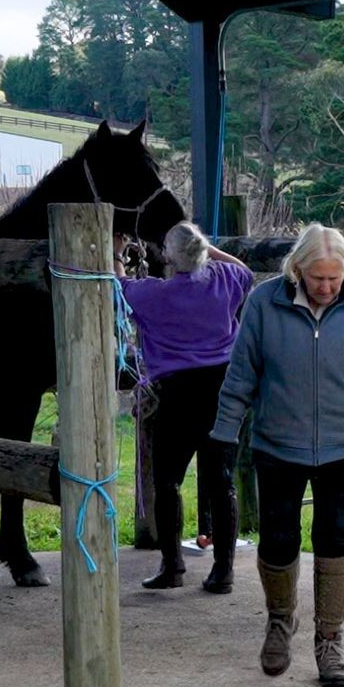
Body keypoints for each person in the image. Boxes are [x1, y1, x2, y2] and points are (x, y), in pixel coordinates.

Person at [210, 224, 344, 687]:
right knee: (278, 539)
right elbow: (241, 376)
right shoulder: (264, 304)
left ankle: (330, 640)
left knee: (333, 538)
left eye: (335, 278)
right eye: (318, 278)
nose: (326, 287)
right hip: (278, 444)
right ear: (297, 270)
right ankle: (280, 619)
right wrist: (223, 437)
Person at [120, 223, 252, 593]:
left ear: (167, 256)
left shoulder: (155, 294)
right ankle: (223, 570)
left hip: (178, 392)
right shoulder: (225, 279)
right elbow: (244, 268)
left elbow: (117, 285)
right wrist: (209, 249)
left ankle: (172, 565)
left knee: (167, 479)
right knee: (221, 480)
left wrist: (117, 251)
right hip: (223, 389)